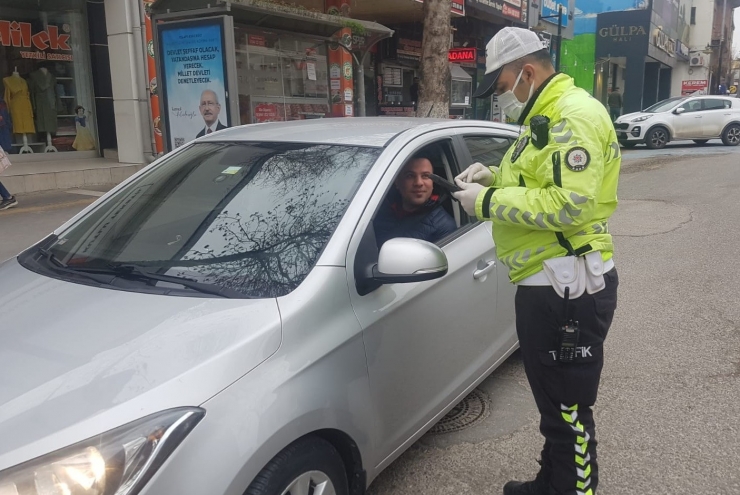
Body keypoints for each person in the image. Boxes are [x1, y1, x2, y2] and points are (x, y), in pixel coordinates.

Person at [452, 27, 620, 495]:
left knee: (568, 407)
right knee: (554, 402)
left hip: (566, 287)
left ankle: (574, 489)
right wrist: (494, 175)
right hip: (551, 281)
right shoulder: (543, 113)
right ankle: (553, 481)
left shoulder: (570, 117)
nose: (501, 97)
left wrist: (487, 202)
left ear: (526, 71)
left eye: (501, 86)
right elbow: (537, 180)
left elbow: (570, 205)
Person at [374, 156, 456, 247]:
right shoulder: (375, 211)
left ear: (433, 182)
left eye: (426, 176)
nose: (418, 183)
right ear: (397, 182)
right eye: (410, 176)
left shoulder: (444, 226)